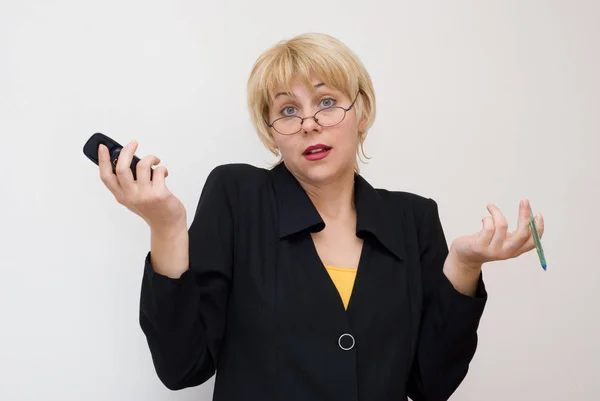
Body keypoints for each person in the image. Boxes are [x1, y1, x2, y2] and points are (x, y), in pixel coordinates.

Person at [98, 33, 545, 401]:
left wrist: (463, 269)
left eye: (327, 101)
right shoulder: (238, 196)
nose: (309, 123)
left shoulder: (413, 217)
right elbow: (182, 367)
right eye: (287, 110)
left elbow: (430, 385)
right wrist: (167, 227)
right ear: (272, 134)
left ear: (362, 113)